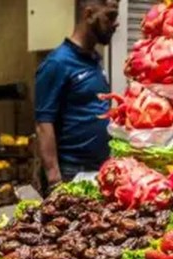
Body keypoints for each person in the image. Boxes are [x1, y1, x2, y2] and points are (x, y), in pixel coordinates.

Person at [35, 0, 120, 191]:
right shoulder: (57, 63)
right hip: (70, 172)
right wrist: (55, 181)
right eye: (110, 16)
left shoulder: (94, 60)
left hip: (99, 168)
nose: (116, 24)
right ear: (88, 15)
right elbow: (43, 124)